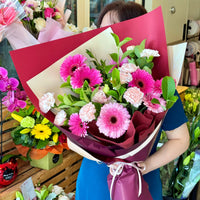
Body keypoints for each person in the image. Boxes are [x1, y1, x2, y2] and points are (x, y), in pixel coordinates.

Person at [75, 1, 190, 200]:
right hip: (94, 182)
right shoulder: (88, 81)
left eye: (113, 31)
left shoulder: (159, 85)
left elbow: (181, 139)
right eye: (100, 31)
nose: (104, 38)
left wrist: (146, 166)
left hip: (140, 181)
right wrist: (105, 158)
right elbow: (71, 139)